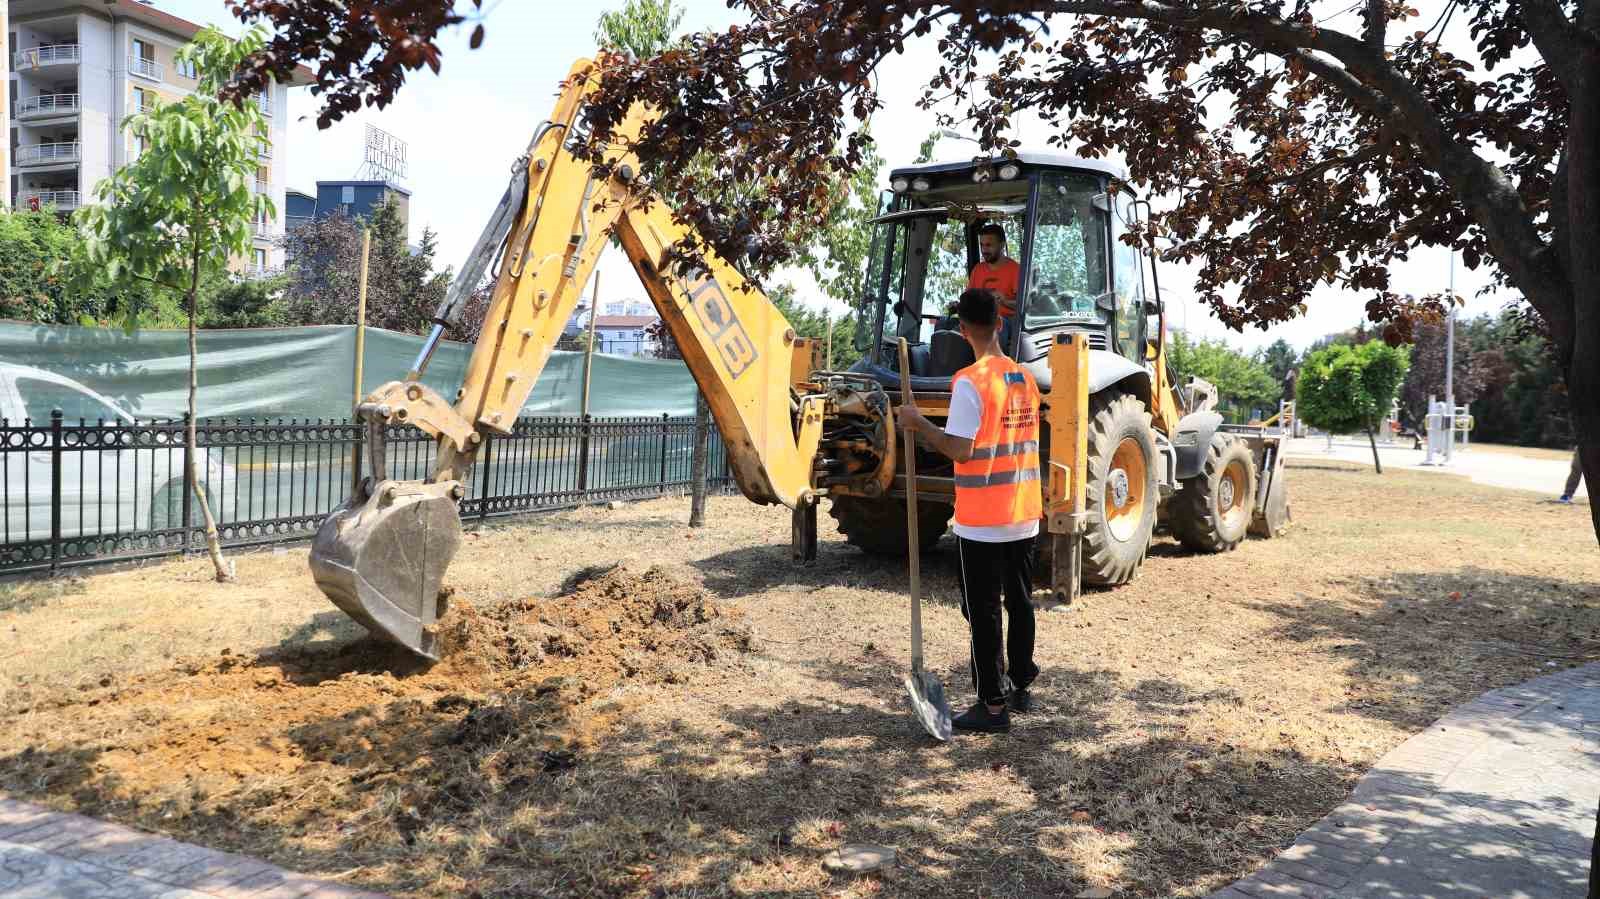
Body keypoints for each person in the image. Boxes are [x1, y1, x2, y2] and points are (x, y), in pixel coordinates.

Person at [897, 288, 1041, 734]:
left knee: (982, 610)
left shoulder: (969, 382)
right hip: (1024, 510)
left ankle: (992, 706)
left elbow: (960, 449)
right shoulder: (1024, 379)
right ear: (1000, 323)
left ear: (961, 330)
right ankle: (1020, 683)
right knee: (1020, 603)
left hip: (983, 520)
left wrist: (919, 424)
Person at [969, 223, 1021, 317]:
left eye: (989, 245)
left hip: (1005, 322)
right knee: (945, 325)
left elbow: (1025, 306)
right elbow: (969, 299)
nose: (984, 250)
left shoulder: (1016, 270)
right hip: (979, 321)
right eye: (982, 245)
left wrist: (1005, 301)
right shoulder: (977, 269)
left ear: (1002, 245)